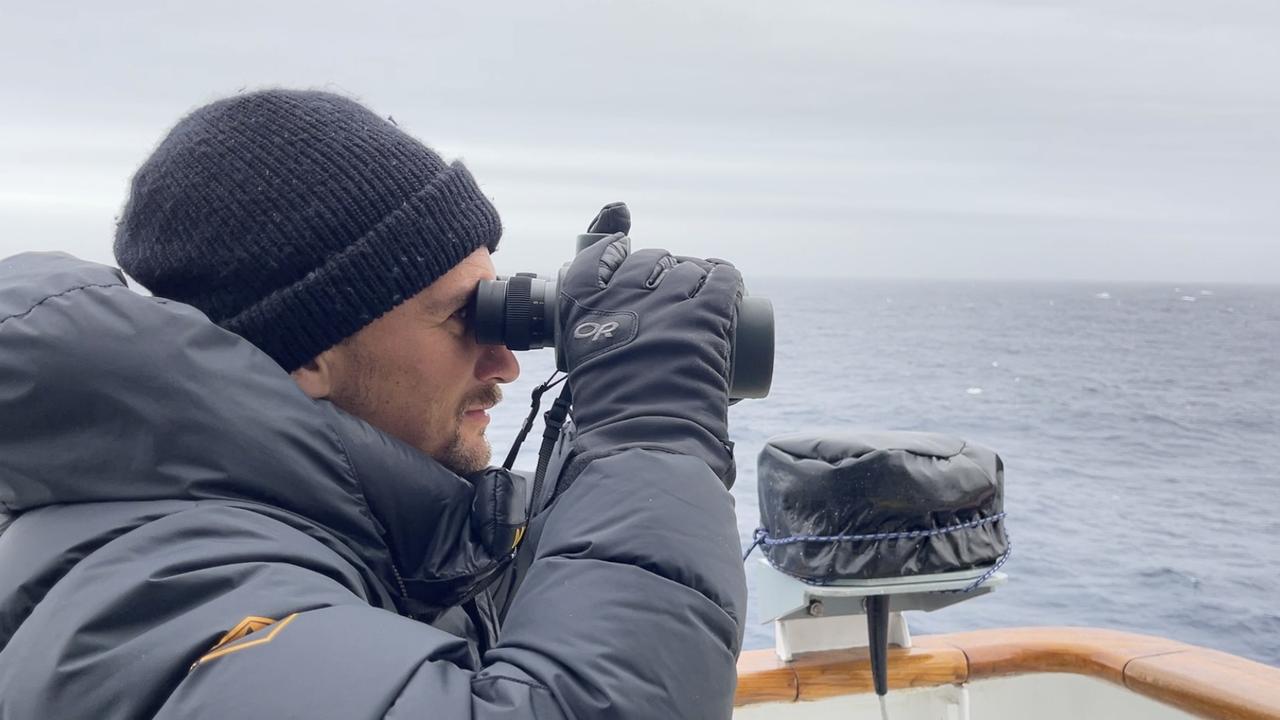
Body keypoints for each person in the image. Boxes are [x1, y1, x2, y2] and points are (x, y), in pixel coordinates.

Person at [0, 90, 747, 718]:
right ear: (310, 353)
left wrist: (601, 446)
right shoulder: (164, 593)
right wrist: (652, 440)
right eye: (464, 319)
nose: (506, 364)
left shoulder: (324, 532)